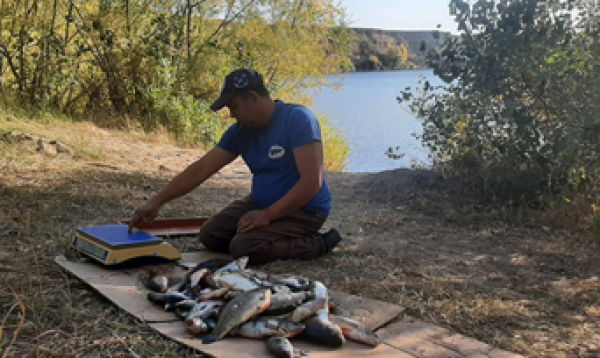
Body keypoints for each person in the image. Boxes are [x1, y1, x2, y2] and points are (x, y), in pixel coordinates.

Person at [128, 68, 341, 264]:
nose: (231, 115)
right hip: (259, 204)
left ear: (253, 98)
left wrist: (267, 215)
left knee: (244, 247)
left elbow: (312, 182)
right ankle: (265, 233)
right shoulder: (240, 132)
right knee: (210, 235)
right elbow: (200, 170)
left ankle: (317, 243)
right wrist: (156, 202)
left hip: (304, 211)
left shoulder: (298, 119)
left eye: (234, 106)